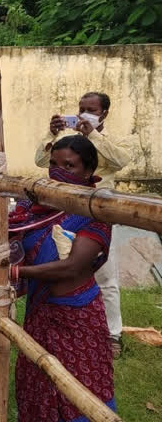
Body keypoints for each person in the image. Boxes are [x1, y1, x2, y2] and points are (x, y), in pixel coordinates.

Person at [0, 135, 115, 422]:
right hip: (40, 314)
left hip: (76, 318)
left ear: (88, 172)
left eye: (69, 165)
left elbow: (72, 267)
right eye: (53, 163)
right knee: (39, 382)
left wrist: (14, 272)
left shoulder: (95, 212)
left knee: (80, 390)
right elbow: (5, 232)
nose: (57, 171)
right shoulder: (37, 206)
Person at [35, 92, 131, 357]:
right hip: (65, 209)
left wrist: (94, 136)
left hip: (100, 211)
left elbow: (121, 161)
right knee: (64, 265)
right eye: (81, 108)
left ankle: (113, 335)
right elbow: (41, 161)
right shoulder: (69, 136)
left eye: (91, 109)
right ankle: (64, 323)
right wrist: (50, 135)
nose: (84, 112)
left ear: (104, 113)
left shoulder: (115, 139)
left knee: (105, 275)